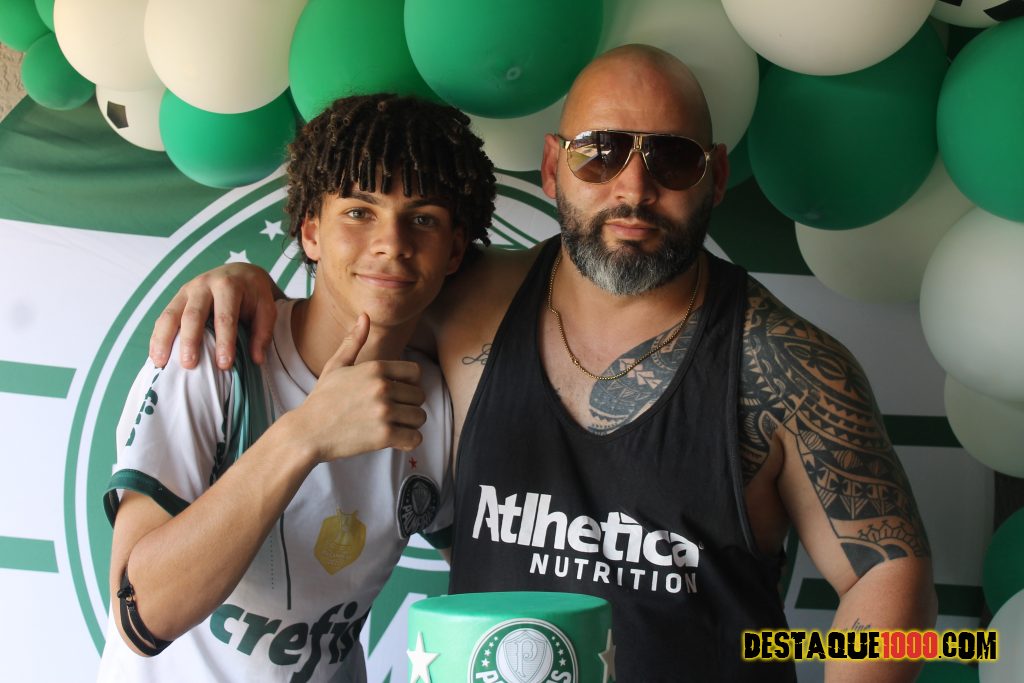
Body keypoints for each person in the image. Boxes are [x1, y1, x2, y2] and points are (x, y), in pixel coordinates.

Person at [150, 46, 937, 681]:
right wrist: (243, 284)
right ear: (554, 166)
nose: (634, 187)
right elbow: (353, 286)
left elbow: (892, 581)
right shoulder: (466, 299)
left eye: (671, 159)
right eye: (601, 154)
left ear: (716, 177)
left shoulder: (787, 364)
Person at [98, 93, 496, 682]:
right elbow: (141, 616)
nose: (391, 242)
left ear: (455, 249)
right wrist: (305, 435)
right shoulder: (216, 355)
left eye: (423, 219)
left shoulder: (442, 402)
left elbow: (497, 580)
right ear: (311, 232)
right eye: (359, 212)